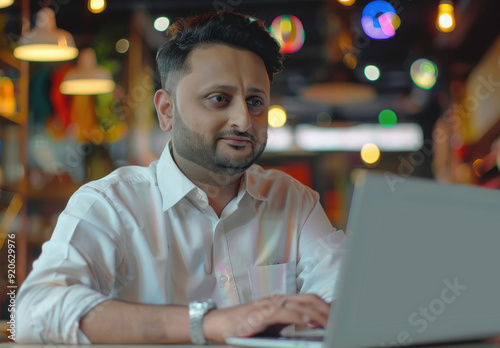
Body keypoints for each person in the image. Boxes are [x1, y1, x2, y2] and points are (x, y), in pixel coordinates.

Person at [16, 10, 344, 344]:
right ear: (166, 111)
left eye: (255, 101)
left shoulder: (293, 201)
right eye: (219, 99)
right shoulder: (112, 205)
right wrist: (208, 322)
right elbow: (35, 312)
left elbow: (345, 297)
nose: (244, 120)